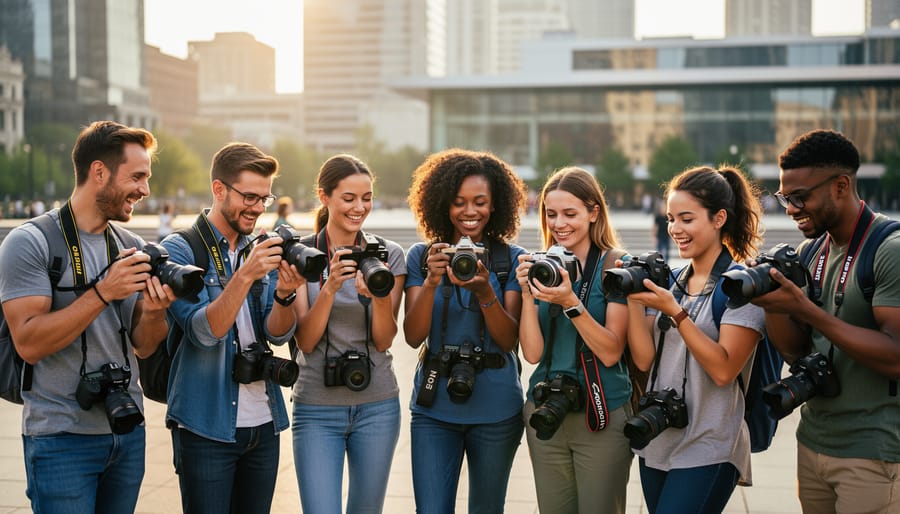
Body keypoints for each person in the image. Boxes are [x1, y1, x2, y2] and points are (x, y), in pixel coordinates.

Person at [0, 120, 175, 513]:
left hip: (126, 432)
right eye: (137, 176)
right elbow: (28, 343)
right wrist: (103, 291)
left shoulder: (129, 246)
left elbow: (145, 347)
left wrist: (154, 311)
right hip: (61, 437)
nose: (145, 190)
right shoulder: (31, 242)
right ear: (99, 172)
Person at [751, 130, 900, 513]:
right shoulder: (811, 250)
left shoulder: (889, 251)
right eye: (785, 197)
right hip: (814, 441)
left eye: (800, 197)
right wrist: (772, 303)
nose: (790, 208)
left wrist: (807, 310)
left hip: (873, 451)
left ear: (841, 185)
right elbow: (797, 350)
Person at [161, 142, 303, 514]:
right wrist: (246, 274)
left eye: (265, 199)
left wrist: (286, 293)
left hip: (265, 421)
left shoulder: (258, 246)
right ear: (219, 189)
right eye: (250, 196)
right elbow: (204, 332)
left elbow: (278, 333)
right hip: (205, 425)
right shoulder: (180, 251)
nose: (258, 208)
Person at [624, 166, 765, 513]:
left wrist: (677, 313)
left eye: (686, 219)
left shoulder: (739, 287)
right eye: (671, 218)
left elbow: (723, 370)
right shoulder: (672, 281)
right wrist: (629, 298)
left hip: (710, 443)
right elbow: (644, 361)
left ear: (719, 218)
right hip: (657, 438)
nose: (674, 229)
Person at [404, 148, 527, 513]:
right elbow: (412, 336)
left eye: (480, 202)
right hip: (433, 408)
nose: (470, 212)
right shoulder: (422, 256)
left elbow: (507, 341)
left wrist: (486, 291)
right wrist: (430, 281)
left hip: (497, 409)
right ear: (442, 203)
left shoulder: (510, 259)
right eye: (458, 202)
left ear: (496, 205)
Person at [290, 154, 406, 514]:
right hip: (316, 408)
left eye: (366, 198)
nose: (360, 207)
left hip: (377, 404)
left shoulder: (389, 256)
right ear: (324, 196)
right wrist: (328, 288)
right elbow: (305, 342)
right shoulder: (301, 256)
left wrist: (379, 296)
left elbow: (385, 340)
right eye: (349, 198)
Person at [515, 167, 633, 514]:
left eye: (570, 213)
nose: (559, 224)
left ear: (593, 212)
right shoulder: (543, 265)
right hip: (546, 411)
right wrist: (525, 294)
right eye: (551, 214)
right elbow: (533, 354)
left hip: (601, 412)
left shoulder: (616, 265)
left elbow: (611, 352)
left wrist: (570, 302)